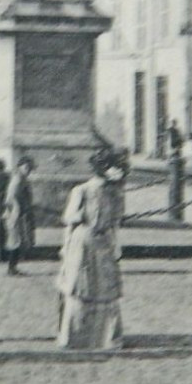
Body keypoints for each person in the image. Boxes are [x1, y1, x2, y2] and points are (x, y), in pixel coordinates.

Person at [56, 147, 128, 351]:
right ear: (104, 168)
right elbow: (70, 222)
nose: (120, 171)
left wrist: (116, 246)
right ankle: (76, 337)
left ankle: (107, 338)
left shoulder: (115, 193)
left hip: (104, 242)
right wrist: (65, 248)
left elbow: (114, 224)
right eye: (116, 167)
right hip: (83, 243)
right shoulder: (82, 191)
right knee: (82, 287)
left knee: (106, 287)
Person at [2, 155, 37, 276]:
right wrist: (18, 211)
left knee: (17, 240)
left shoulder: (23, 179)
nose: (28, 170)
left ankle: (13, 267)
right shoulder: (17, 179)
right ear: (20, 167)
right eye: (26, 167)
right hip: (14, 213)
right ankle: (11, 269)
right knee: (14, 241)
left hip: (20, 213)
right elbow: (10, 198)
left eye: (30, 167)